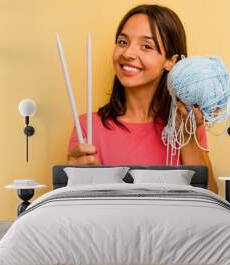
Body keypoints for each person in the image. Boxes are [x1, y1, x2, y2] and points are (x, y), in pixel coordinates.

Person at [67, 4, 218, 193]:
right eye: (123, 42)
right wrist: (75, 179)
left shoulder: (185, 125)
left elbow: (210, 199)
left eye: (146, 46)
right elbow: (76, 209)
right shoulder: (87, 127)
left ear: (171, 61)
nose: (128, 54)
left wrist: (187, 138)